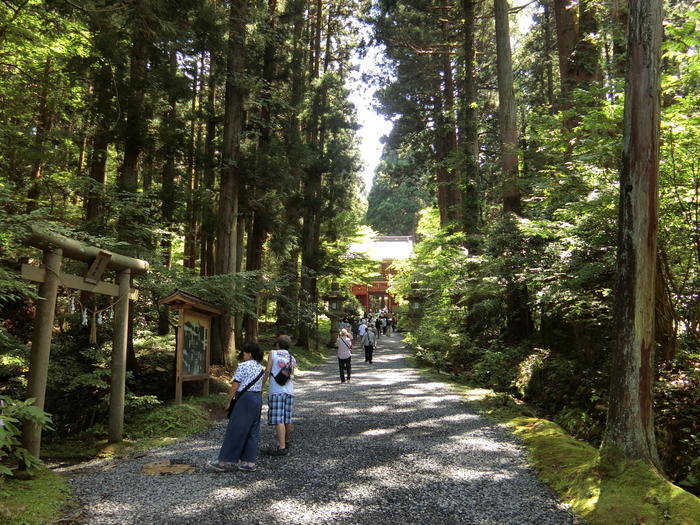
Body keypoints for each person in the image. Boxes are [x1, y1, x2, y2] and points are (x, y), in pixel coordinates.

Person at [209, 342, 264, 472]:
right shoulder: (260, 368)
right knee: (253, 430)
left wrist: (229, 401)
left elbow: (235, 385)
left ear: (249, 353)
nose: (243, 355)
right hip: (257, 399)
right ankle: (249, 463)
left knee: (235, 429)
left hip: (244, 400)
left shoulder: (243, 366)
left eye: (244, 352)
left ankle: (222, 462)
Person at [262, 334, 296, 456]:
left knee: (278, 419)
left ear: (278, 344)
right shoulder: (292, 358)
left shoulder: (273, 353)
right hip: (289, 390)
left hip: (276, 390)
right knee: (287, 418)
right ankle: (286, 442)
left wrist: (261, 387)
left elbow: (267, 371)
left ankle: (281, 448)